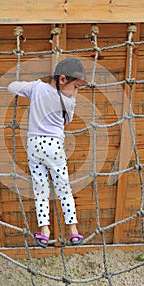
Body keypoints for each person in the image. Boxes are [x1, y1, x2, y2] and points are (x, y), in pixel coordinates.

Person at [8, 57, 86, 248]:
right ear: (62, 80)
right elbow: (67, 121)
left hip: (34, 145)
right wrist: (70, 99)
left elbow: (11, 86)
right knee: (63, 188)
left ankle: (44, 231)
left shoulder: (36, 88)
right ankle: (73, 231)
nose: (75, 91)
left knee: (40, 189)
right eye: (75, 86)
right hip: (54, 146)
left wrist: (29, 88)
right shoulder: (68, 101)